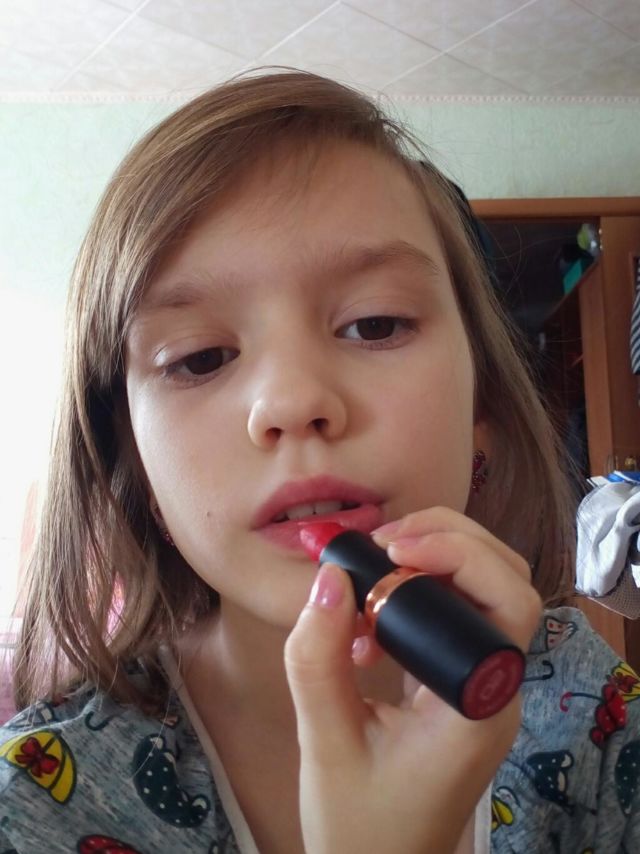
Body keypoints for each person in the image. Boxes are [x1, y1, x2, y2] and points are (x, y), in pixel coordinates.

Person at [0, 68, 638, 854]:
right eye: (200, 358)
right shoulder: (34, 803)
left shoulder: (589, 705)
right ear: (138, 470)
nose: (293, 400)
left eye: (375, 324)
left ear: (482, 412)